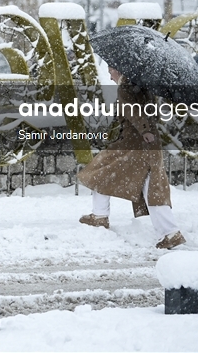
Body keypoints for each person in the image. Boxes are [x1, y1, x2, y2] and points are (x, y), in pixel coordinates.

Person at [77, 67, 185, 249]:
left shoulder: (126, 88)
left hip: (136, 144)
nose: (110, 77)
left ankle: (171, 233)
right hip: (138, 143)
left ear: (118, 70)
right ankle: (100, 216)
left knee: (149, 187)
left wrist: (145, 130)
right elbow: (151, 113)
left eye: (110, 71)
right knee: (106, 173)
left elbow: (133, 111)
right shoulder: (141, 86)